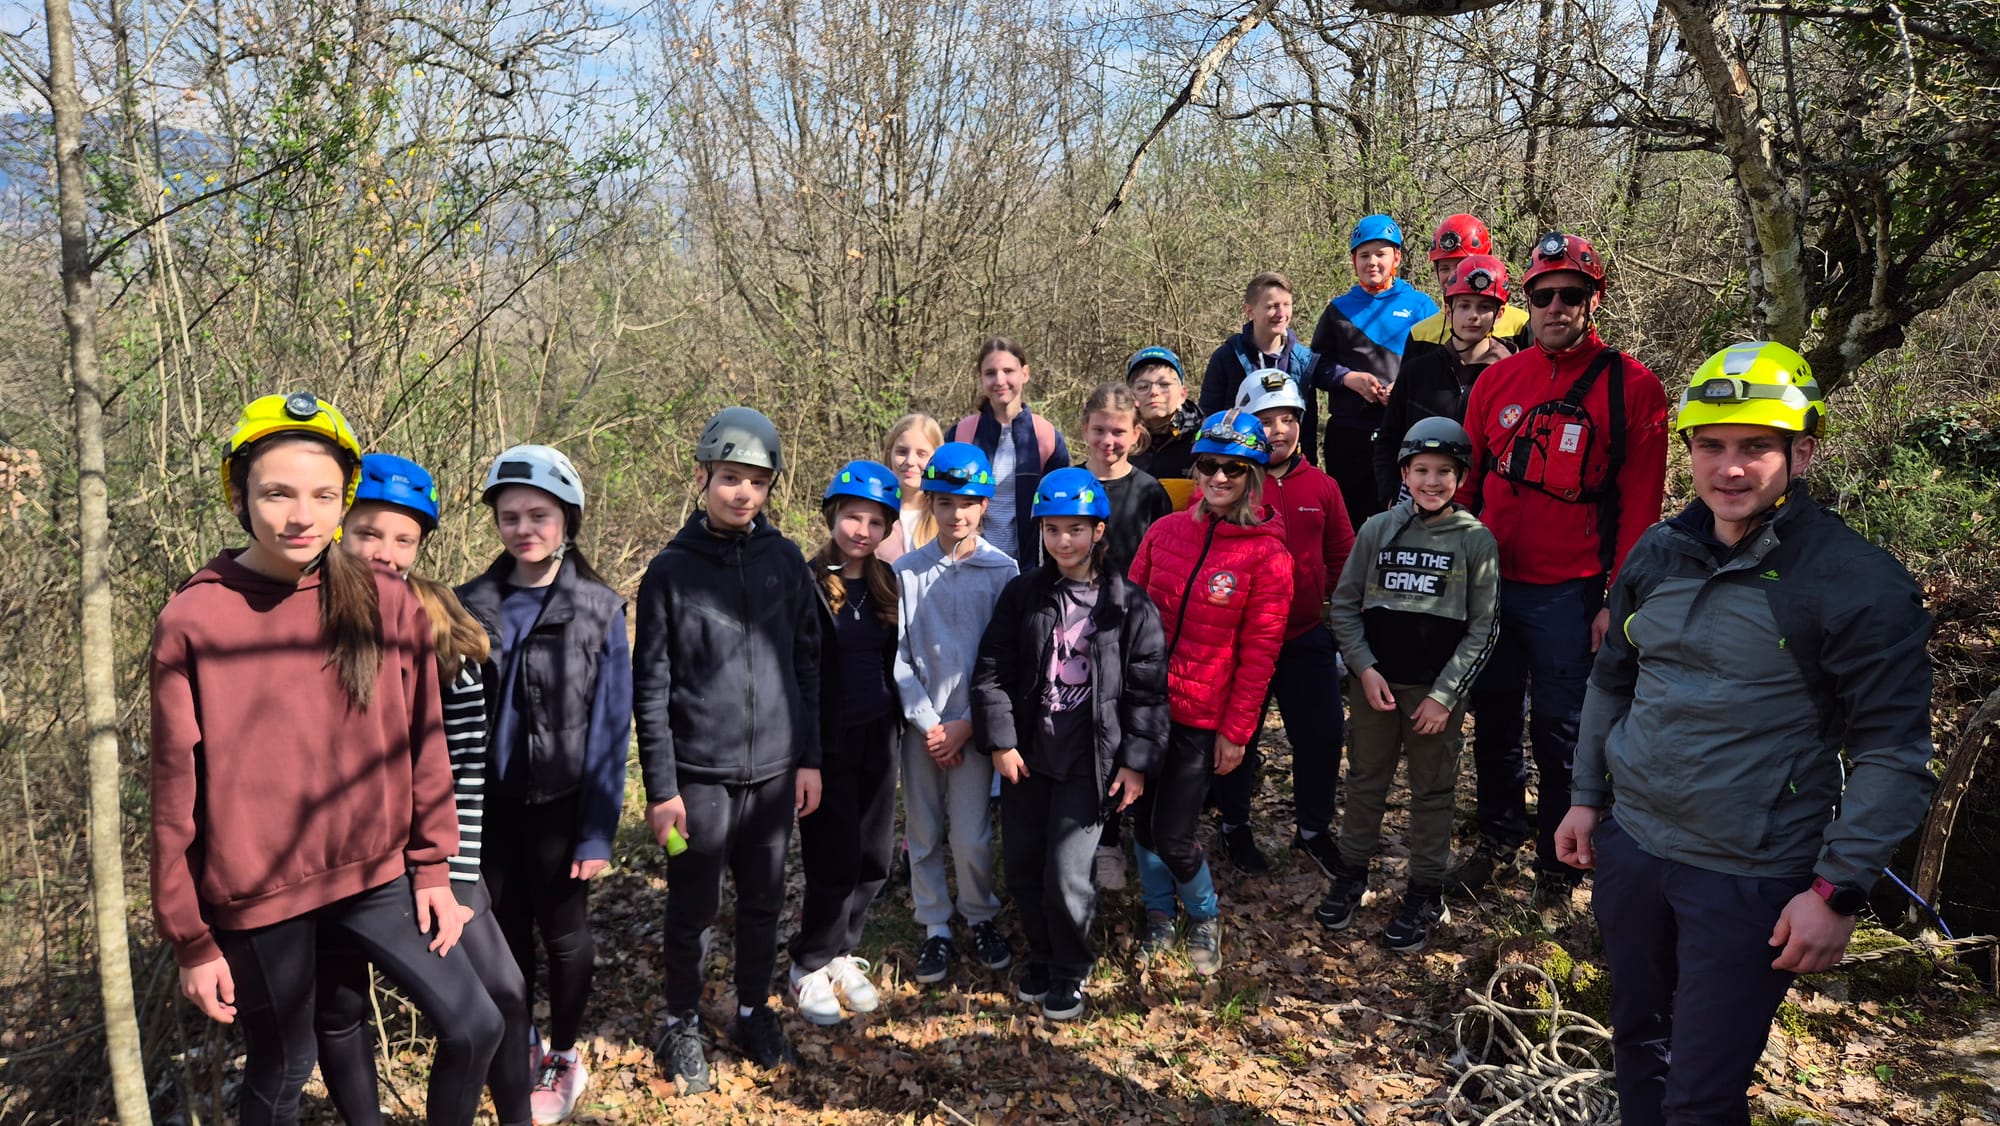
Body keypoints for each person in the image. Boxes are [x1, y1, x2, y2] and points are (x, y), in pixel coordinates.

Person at [1554, 342, 1937, 1124]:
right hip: (1635, 849)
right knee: (1638, 1045)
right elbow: (1612, 681)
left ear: (1803, 451)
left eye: (1755, 447)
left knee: (1702, 1094)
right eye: (1712, 446)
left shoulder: (1853, 581)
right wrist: (1587, 800)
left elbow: (1894, 752)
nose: (1729, 468)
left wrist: (1836, 891)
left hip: (1749, 875)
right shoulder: (1659, 551)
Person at [150, 393, 501, 1126]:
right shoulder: (194, 618)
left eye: (323, 495)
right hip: (259, 895)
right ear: (240, 497)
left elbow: (423, 741)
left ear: (344, 501)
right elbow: (174, 792)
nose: (301, 515)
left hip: (375, 872)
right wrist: (191, 940)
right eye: (277, 493)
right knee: (284, 1069)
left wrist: (433, 867)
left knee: (475, 1025)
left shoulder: (384, 600)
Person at [315, 454, 537, 1126]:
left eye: (403, 539)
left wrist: (456, 877)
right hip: (328, 856)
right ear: (339, 528)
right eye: (368, 533)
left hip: (433, 855)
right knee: (340, 1009)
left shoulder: (441, 627)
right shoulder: (303, 619)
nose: (384, 553)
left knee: (503, 996)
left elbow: (463, 766)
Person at [1456, 231, 1668, 901]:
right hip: (1491, 584)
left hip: (1570, 592)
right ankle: (1496, 836)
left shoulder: (1634, 388)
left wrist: (1617, 601)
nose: (1555, 307)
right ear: (1528, 301)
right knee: (1492, 717)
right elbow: (1465, 485)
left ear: (1592, 299)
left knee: (1562, 730)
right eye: (1543, 295)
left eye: (1569, 295)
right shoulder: (1497, 380)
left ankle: (1557, 862)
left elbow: (1640, 509)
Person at [638, 408, 823, 1092]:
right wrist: (662, 789)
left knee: (764, 901)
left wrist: (810, 758)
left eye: (757, 481)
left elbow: (808, 663)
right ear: (702, 477)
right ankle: (681, 1020)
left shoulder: (785, 561)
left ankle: (751, 1010)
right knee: (693, 905)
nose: (743, 493)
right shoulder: (670, 571)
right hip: (698, 779)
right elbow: (650, 688)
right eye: (730, 478)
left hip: (773, 774)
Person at [971, 467, 1168, 1020]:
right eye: (1053, 529)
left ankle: (1069, 969)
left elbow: (1149, 692)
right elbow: (992, 669)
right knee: (1024, 865)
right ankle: (1041, 954)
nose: (1064, 541)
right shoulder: (1023, 594)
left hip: (1090, 762)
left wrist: (1136, 762)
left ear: (1098, 531)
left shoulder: (1130, 605)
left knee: (1066, 874)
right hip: (1029, 756)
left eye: (1076, 529)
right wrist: (1001, 742)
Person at [1318, 418, 1500, 952]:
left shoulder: (1475, 539)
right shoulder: (1377, 529)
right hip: (1376, 686)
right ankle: (1351, 873)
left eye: (1444, 471)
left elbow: (1485, 628)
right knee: (1364, 782)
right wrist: (1363, 668)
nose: (1432, 481)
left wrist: (1445, 695)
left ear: (1461, 476)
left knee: (1433, 792)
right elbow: (1344, 606)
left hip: (1434, 696)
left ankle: (1425, 891)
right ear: (1404, 473)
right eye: (1421, 470)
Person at [1126, 410, 1292, 975]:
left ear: (1253, 474)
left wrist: (1237, 732)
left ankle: (1203, 914)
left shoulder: (1269, 557)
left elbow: (1259, 656)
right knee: (1141, 820)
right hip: (1146, 708)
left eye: (1233, 468)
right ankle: (1158, 915)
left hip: (1202, 717)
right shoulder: (1164, 532)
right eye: (1208, 465)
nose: (1219, 477)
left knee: (1174, 833)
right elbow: (1129, 615)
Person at [1206, 371, 1355, 876]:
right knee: (1238, 737)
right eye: (1266, 421)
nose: (1278, 431)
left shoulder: (1322, 486)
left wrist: (1335, 614)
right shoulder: (1228, 481)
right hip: (1240, 642)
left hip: (1304, 634)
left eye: (1288, 419)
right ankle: (1234, 824)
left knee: (1321, 735)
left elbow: (1342, 554)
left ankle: (1313, 829)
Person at [890, 441, 1020, 986]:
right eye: (945, 502)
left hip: (973, 728)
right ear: (931, 503)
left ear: (985, 504)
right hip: (922, 731)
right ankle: (935, 925)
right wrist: (928, 723)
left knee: (970, 834)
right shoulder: (906, 572)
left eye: (968, 502)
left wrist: (967, 723)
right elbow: (900, 657)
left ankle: (979, 915)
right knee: (922, 831)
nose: (957, 513)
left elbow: (1007, 656)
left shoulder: (1003, 571)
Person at [788, 460, 902, 1027]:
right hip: (827, 742)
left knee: (872, 857)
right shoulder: (806, 582)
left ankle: (840, 952)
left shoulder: (887, 582)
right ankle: (808, 961)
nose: (863, 530)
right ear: (833, 516)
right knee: (831, 858)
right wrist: (804, 758)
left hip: (879, 735)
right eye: (853, 517)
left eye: (876, 522)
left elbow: (895, 660)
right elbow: (797, 673)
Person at [1077, 382, 1173, 891]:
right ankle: (1101, 839)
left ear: (1136, 434)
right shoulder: (1066, 482)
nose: (1108, 441)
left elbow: (1165, 560)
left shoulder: (1149, 490)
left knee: (1126, 729)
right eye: (1099, 431)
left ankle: (1129, 834)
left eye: (1118, 432)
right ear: (1084, 430)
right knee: (1087, 733)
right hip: (1075, 626)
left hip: (1134, 627)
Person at [1308, 214, 1439, 529]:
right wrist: (1348, 379)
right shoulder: (1338, 310)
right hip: (1348, 432)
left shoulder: (1420, 306)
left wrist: (1403, 386)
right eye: (1364, 255)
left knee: (1399, 520)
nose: (1372, 262)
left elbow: (1437, 366)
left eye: (1380, 253)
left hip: (1402, 432)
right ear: (1354, 261)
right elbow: (1315, 366)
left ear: (1397, 258)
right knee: (1345, 521)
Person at [1373, 254, 1515, 506]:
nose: (1473, 315)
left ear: (1499, 313)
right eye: (1464, 305)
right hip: (1417, 504)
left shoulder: (1511, 376)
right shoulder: (1417, 372)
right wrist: (1392, 497)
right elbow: (1389, 439)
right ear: (1449, 311)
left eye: (1484, 307)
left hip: (1484, 510)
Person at [951, 337, 1071, 568]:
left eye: (1008, 371)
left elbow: (1060, 512)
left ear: (1025, 374)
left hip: (1029, 569)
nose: (999, 380)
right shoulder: (961, 435)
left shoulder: (1046, 437)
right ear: (980, 379)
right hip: (969, 564)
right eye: (990, 373)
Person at [1199, 272, 1321, 465]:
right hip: (1239, 464)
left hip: (1289, 465)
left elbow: (1308, 424)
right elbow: (1209, 416)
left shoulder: (1303, 360)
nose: (1281, 314)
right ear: (1249, 311)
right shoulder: (1227, 357)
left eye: (1287, 304)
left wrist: (1309, 467)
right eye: (1272, 306)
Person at [1401, 213, 1530, 367]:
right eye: (1444, 268)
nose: (1452, 276)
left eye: (1462, 266)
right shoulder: (1421, 334)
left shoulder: (1520, 325)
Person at [1126, 345, 1202, 509]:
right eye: (1143, 386)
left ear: (1182, 394)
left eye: (1164, 384)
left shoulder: (1204, 440)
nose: (1154, 392)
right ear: (1130, 396)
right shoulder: (1119, 441)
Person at [879, 413, 942, 563]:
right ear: (889, 454)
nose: (910, 461)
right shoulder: (874, 509)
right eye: (902, 451)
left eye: (921, 454)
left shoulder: (946, 514)